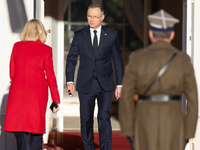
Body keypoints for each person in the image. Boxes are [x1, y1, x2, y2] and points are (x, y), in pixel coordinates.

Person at [119, 9, 198, 150]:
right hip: (173, 119)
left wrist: (129, 131)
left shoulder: (137, 58)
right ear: (172, 35)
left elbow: (126, 97)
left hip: (145, 118)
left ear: (150, 34)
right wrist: (188, 133)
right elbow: (193, 99)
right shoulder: (183, 60)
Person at [66, 3, 124, 150]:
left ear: (102, 17)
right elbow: (71, 59)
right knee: (86, 120)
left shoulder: (111, 35)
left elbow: (117, 61)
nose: (91, 19)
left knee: (104, 117)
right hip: (85, 84)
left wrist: (119, 84)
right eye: (89, 16)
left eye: (95, 17)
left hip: (106, 84)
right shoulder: (79, 35)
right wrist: (70, 81)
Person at [4, 19, 60, 150]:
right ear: (40, 32)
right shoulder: (46, 50)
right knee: (36, 130)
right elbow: (51, 77)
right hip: (37, 94)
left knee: (20, 130)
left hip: (18, 93)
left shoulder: (17, 46)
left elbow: (12, 72)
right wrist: (56, 99)